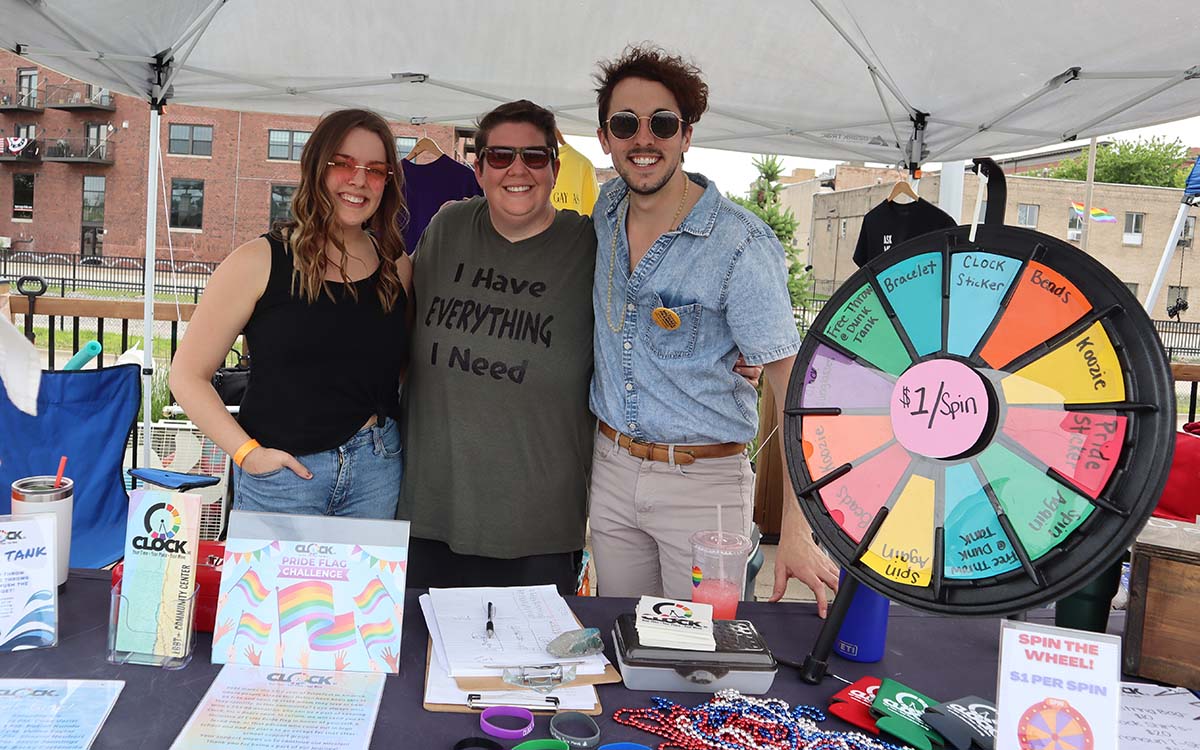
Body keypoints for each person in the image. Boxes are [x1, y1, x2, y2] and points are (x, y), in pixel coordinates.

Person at [588, 46, 841, 614]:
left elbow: (795, 388)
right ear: (605, 138)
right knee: (624, 640)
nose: (643, 138)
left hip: (703, 487)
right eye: (625, 123)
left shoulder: (740, 246)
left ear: (686, 135)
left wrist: (798, 530)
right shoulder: (605, 212)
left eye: (663, 123)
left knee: (699, 660)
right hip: (611, 472)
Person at [171, 108, 412, 518]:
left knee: (362, 587)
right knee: (273, 588)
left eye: (375, 169)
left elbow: (402, 372)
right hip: (283, 478)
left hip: (376, 470)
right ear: (316, 166)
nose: (359, 180)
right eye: (344, 164)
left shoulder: (397, 266)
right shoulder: (258, 261)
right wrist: (249, 455)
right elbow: (186, 375)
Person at [398, 100, 596, 595]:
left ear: (554, 168)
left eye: (534, 156)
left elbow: (648, 319)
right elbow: (384, 316)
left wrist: (732, 358)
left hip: (537, 531)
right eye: (502, 156)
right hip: (431, 518)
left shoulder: (589, 245)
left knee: (528, 672)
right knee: (423, 667)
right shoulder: (446, 228)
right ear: (479, 167)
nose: (518, 170)